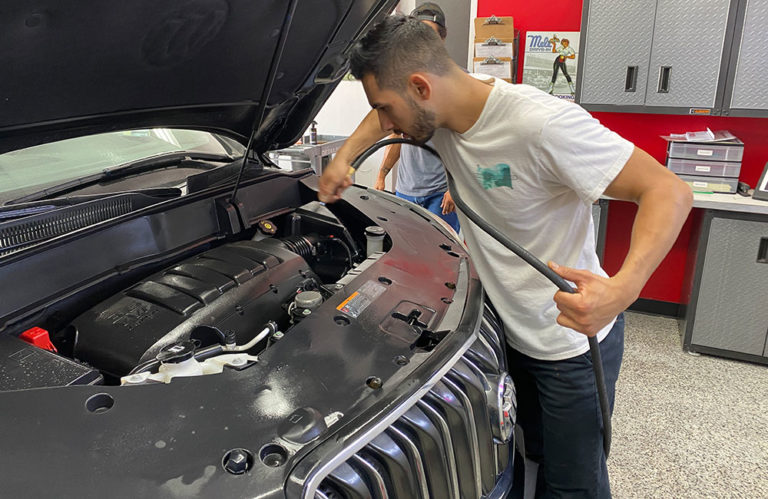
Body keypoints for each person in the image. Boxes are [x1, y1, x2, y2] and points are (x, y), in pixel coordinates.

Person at [318, 15, 692, 497]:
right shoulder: (436, 113)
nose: (387, 125)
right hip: (502, 332)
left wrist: (622, 289)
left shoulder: (542, 124)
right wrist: (344, 159)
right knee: (519, 456)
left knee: (573, 484)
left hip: (568, 344)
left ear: (419, 86)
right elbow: (378, 113)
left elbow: (667, 190)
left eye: (389, 109)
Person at [375, 2, 459, 233]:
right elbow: (395, 138)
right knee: (408, 257)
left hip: (441, 195)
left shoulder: (458, 84)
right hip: (406, 192)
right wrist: (382, 176)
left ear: (441, 39)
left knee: (440, 261)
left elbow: (467, 144)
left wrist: (456, 188)